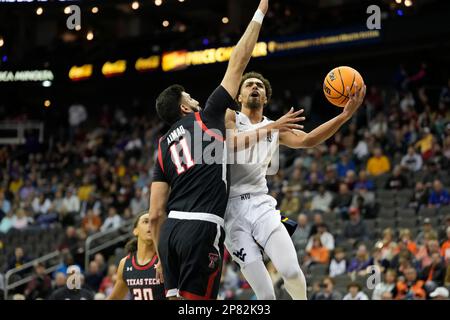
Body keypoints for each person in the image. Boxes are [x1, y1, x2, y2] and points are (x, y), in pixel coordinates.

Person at [149, 0, 282, 300]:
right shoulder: (206, 116)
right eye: (190, 97)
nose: (196, 99)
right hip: (202, 227)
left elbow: (155, 212)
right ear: (185, 107)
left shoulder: (161, 146)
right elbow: (239, 60)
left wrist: (160, 257)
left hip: (170, 232)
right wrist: (259, 12)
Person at [223, 69, 366, 300]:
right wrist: (273, 127)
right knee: (266, 295)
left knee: (291, 271)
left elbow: (308, 140)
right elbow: (231, 145)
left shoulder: (275, 126)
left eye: (259, 85)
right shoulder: (230, 116)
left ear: (266, 98)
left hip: (261, 205)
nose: (254, 87)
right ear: (238, 96)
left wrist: (344, 116)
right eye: (249, 85)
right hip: (230, 211)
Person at [108, 212, 165, 300]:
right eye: (146, 222)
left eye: (154, 222)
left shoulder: (164, 260)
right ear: (135, 231)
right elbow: (115, 297)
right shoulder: (125, 263)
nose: (150, 225)